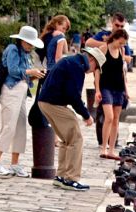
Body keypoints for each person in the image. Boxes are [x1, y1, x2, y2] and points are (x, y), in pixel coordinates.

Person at [38, 47, 105, 191]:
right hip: (53, 103)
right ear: (91, 59)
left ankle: (61, 176)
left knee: (67, 139)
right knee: (76, 139)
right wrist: (86, 115)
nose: (93, 71)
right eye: (96, 68)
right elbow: (73, 95)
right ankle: (71, 178)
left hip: (46, 101)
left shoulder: (71, 61)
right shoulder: (77, 67)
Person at [0, 25, 45, 179]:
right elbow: (13, 70)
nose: (31, 45)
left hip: (21, 91)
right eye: (29, 42)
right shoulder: (13, 49)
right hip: (10, 90)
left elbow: (23, 75)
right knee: (8, 126)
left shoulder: (27, 54)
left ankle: (15, 163)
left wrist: (35, 75)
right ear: (22, 40)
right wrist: (30, 72)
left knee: (20, 127)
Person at [97, 30, 129, 160]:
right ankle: (103, 148)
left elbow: (123, 72)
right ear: (115, 38)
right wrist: (97, 89)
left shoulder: (121, 51)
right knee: (108, 117)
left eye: (123, 44)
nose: (121, 45)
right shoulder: (104, 49)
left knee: (116, 119)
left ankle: (111, 149)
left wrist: (127, 90)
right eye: (120, 42)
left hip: (119, 88)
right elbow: (97, 71)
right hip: (106, 87)